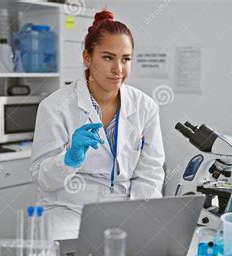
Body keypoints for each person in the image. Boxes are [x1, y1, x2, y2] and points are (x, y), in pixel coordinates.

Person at [30, 10, 165, 240]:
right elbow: (42, 179)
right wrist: (69, 159)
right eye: (107, 57)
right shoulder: (55, 107)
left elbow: (150, 174)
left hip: (125, 213)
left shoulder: (146, 107)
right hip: (69, 212)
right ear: (87, 57)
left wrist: (139, 218)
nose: (118, 69)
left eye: (126, 59)